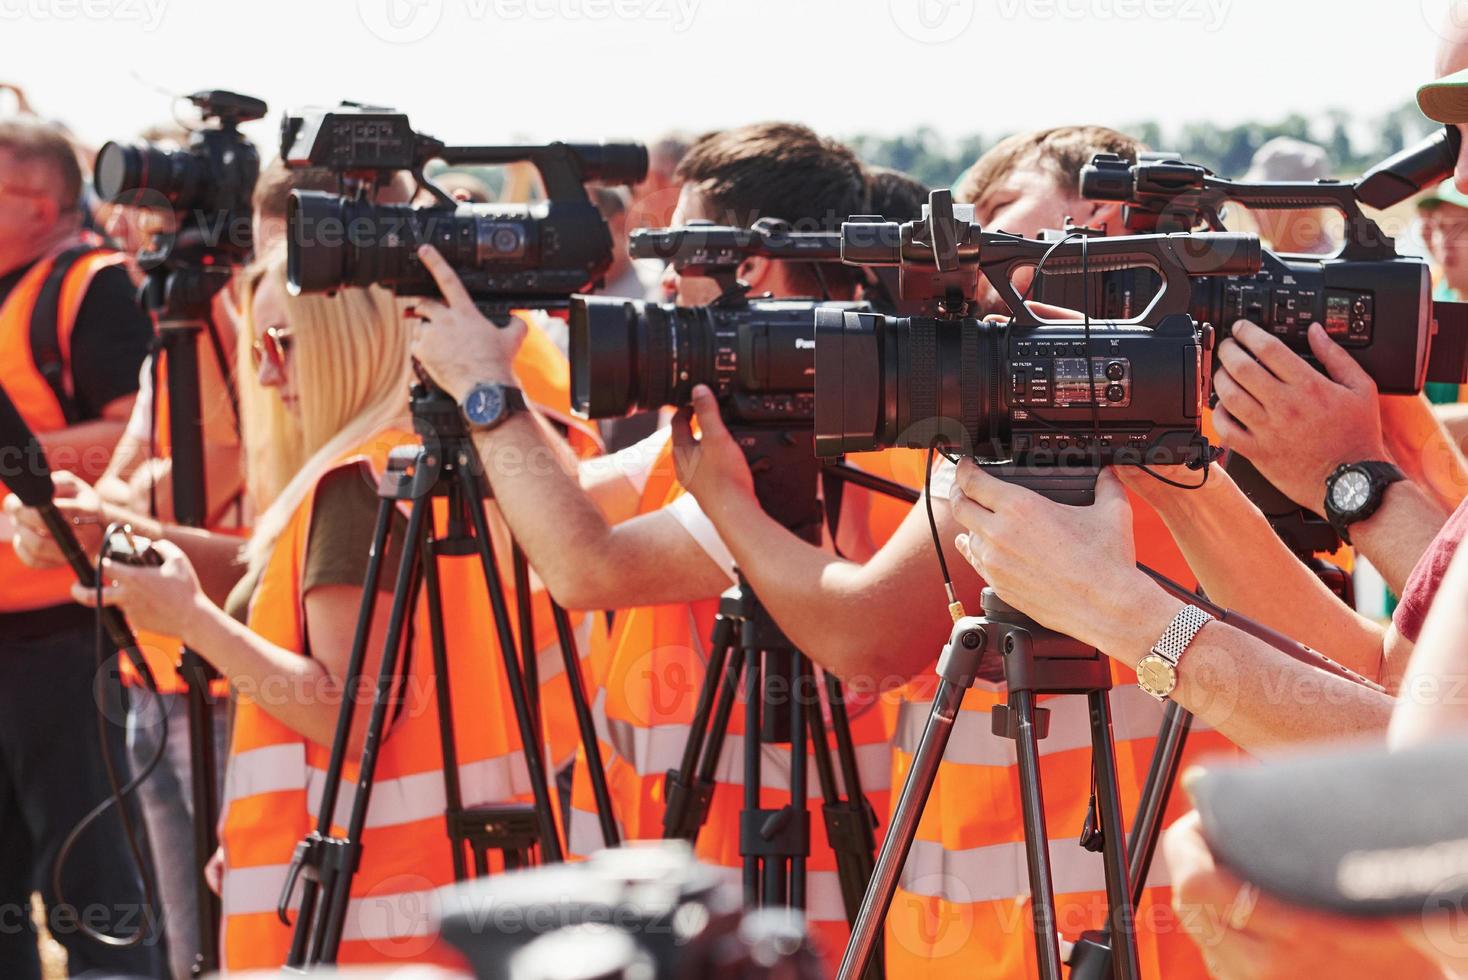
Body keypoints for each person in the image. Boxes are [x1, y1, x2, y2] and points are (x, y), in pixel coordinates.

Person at [408, 121, 896, 970]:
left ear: (749, 266)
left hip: (784, 894)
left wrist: (488, 392)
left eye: (682, 247)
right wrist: (483, 342)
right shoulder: (735, 405)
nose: (662, 276)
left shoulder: (812, 419)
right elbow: (553, 511)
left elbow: (586, 566)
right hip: (701, 867)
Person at [0, 117, 162, 979]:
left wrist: (24, 462)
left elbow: (134, 437)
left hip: (66, 633)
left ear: (42, 204)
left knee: (91, 881)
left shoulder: (90, 287)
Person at [1240, 136, 1337, 255]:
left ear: (1302, 205)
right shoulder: (1274, 258)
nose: (1249, 208)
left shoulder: (1312, 270)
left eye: (1259, 197)